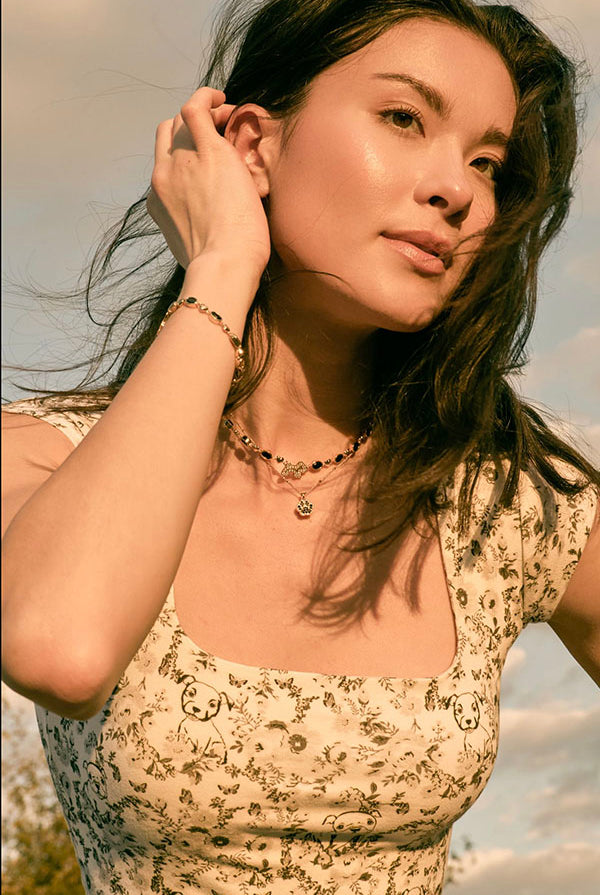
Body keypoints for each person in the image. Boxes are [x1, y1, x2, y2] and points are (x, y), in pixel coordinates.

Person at [2, 0, 599, 892]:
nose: (459, 189)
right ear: (251, 146)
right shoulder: (46, 453)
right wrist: (220, 266)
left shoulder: (501, 503)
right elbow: (61, 649)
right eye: (404, 118)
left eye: (487, 162)